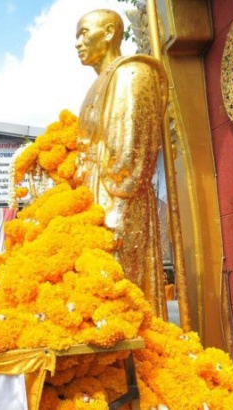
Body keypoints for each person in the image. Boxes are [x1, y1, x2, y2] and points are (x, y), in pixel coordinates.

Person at [73, 9, 169, 319]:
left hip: (118, 202)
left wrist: (115, 210)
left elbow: (132, 151)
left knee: (122, 298)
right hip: (93, 199)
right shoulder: (97, 85)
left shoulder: (132, 74)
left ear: (111, 31)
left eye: (84, 32)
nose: (78, 43)